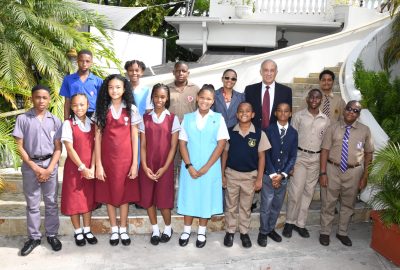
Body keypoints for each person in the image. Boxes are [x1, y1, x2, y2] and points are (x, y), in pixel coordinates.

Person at [177, 84, 229, 248]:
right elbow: (182, 144)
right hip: (190, 167)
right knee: (189, 196)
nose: (205, 101)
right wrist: (189, 165)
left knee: (206, 198)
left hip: (210, 168)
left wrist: (206, 167)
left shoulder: (218, 118)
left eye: (209, 99)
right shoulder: (188, 118)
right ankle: (186, 231)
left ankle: (201, 232)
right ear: (197, 98)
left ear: (213, 101)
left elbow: (221, 145)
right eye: (202, 97)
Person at [13, 85, 62, 256]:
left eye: (45, 97)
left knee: (51, 203)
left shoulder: (55, 120)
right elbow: (19, 146)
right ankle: (34, 237)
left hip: (50, 165)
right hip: (30, 166)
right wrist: (34, 166)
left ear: (49, 100)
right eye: (37, 97)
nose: (41, 100)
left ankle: (52, 234)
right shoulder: (23, 119)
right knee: (32, 204)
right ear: (32, 98)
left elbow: (58, 148)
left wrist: (49, 169)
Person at [94, 74, 142, 246]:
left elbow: (135, 137)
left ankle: (123, 228)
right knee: (109, 194)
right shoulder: (102, 109)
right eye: (111, 87)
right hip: (107, 160)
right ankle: (114, 228)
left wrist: (135, 164)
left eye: (118, 87)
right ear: (107, 89)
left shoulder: (131, 109)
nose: (114, 90)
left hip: (126, 160)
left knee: (124, 195)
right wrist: (98, 164)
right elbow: (97, 138)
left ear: (124, 89)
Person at [319, 100, 373, 247]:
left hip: (354, 172)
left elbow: (369, 154)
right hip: (332, 169)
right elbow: (324, 151)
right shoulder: (333, 128)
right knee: (328, 202)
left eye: (355, 110)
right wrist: (323, 173)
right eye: (349, 109)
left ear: (359, 114)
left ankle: (342, 232)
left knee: (348, 204)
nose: (351, 112)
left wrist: (365, 176)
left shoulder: (365, 130)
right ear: (344, 110)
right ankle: (325, 232)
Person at [282, 89, 330, 239]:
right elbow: (290, 139)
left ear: (321, 100)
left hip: (316, 159)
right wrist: (289, 163)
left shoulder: (325, 120)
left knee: (308, 192)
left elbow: (326, 143)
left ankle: (300, 224)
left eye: (318, 97)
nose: (315, 99)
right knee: (296, 192)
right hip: (300, 157)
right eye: (312, 97)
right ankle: (289, 222)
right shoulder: (298, 116)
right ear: (308, 99)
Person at [222, 102, 270, 248]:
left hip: (250, 176)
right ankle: (230, 231)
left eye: (248, 111)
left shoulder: (259, 133)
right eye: (241, 111)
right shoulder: (230, 132)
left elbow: (262, 157)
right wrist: (222, 174)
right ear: (236, 115)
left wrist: (259, 179)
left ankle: (244, 232)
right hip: (232, 174)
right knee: (230, 205)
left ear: (253, 114)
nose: (244, 113)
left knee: (245, 206)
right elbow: (224, 153)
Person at [138, 83, 180, 245]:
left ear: (167, 98)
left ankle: (168, 228)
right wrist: (145, 167)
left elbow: (173, 147)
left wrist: (165, 167)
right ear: (152, 97)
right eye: (156, 96)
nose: (159, 100)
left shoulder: (172, 118)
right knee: (148, 199)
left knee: (164, 201)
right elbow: (142, 145)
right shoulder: (145, 118)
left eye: (162, 97)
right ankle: (155, 229)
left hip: (165, 166)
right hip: (148, 166)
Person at [257, 103, 298, 247]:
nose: (283, 113)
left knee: (276, 205)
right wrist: (274, 174)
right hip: (269, 175)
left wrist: (283, 174)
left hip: (283, 177)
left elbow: (293, 156)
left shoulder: (293, 132)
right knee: (266, 205)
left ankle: (270, 229)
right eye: (280, 111)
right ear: (275, 113)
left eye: (286, 111)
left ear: (290, 113)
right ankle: (263, 232)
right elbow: (265, 153)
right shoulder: (268, 130)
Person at [61, 93, 98, 247]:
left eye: (82, 104)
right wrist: (82, 167)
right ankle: (78, 231)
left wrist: (93, 167)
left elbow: (97, 147)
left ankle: (87, 230)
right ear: (71, 107)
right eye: (75, 105)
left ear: (88, 105)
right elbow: (69, 148)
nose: (79, 108)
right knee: (74, 201)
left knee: (87, 199)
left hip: (90, 169)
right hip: (74, 169)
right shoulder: (68, 124)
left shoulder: (93, 124)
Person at [244, 59, 292, 129]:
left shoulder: (286, 91)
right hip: (254, 133)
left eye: (272, 70)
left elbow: (289, 115)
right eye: (266, 70)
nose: (269, 73)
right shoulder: (250, 90)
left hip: (276, 134)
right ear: (261, 72)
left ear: (276, 72)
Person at [60, 49, 103, 120]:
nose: (84, 64)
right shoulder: (68, 79)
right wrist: (66, 120)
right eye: (81, 61)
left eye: (87, 61)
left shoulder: (98, 81)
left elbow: (101, 102)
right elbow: (67, 102)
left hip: (93, 116)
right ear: (77, 60)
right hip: (74, 114)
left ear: (91, 62)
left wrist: (100, 120)